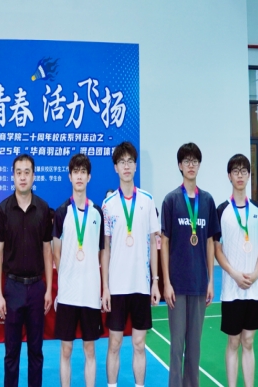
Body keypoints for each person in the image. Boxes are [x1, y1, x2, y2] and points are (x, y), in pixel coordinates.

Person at [160, 142, 220, 387]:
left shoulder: (207, 201)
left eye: (195, 161)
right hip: (177, 284)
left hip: (199, 284)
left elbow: (209, 242)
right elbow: (164, 242)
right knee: (177, 347)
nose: (191, 165)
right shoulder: (171, 200)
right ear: (180, 166)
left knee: (194, 348)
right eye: (186, 161)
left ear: (199, 165)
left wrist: (210, 281)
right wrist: (166, 282)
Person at [101, 142, 160, 387]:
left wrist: (155, 281)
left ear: (135, 166)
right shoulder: (108, 204)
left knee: (139, 344)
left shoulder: (147, 200)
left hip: (141, 285)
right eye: (121, 162)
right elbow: (105, 249)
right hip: (116, 286)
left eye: (130, 161)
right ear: (115, 167)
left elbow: (154, 243)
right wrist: (105, 287)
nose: (126, 166)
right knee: (114, 344)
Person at [0, 153, 53, 387]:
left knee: (36, 352)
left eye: (27, 172)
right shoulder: (2, 210)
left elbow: (47, 251)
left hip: (37, 288)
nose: (23, 177)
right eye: (19, 172)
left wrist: (48, 289)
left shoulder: (43, 209)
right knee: (11, 353)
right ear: (13, 176)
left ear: (33, 176)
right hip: (13, 288)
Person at [214, 154, 258, 387]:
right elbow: (217, 250)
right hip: (232, 289)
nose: (240, 175)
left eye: (243, 171)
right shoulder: (221, 211)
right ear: (229, 176)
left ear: (249, 175)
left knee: (248, 341)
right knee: (234, 341)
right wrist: (235, 274)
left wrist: (255, 273)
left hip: (254, 288)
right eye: (235, 171)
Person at [52, 153, 104, 387]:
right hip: (68, 294)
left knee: (90, 349)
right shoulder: (61, 212)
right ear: (70, 176)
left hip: (90, 293)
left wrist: (102, 287)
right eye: (76, 172)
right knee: (66, 349)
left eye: (83, 172)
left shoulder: (97, 213)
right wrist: (65, 280)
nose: (80, 176)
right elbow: (56, 253)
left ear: (89, 177)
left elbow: (101, 252)